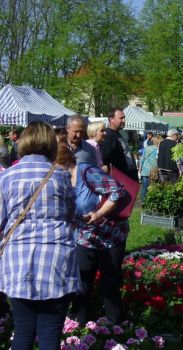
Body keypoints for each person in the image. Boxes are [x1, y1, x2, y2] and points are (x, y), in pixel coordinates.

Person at [0, 122, 80, 349]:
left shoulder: (7, 177)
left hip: (17, 260)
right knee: (50, 334)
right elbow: (72, 215)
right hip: (56, 259)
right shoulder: (61, 176)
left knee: (23, 331)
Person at [58, 142, 129, 326]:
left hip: (109, 236)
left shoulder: (86, 171)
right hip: (85, 237)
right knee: (82, 282)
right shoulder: (63, 180)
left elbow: (117, 191)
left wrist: (99, 214)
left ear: (62, 161)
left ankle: (116, 326)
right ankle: (80, 325)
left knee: (109, 283)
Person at [100, 108, 139, 182]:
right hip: (122, 179)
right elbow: (105, 158)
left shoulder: (118, 134)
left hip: (129, 177)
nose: (124, 120)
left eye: (124, 118)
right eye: (121, 118)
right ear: (111, 119)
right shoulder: (109, 135)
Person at [140, 136, 162, 202]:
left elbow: (142, 159)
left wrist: (140, 169)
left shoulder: (147, 148)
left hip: (145, 170)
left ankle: (143, 201)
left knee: (144, 187)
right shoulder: (159, 149)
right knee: (154, 186)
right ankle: (152, 201)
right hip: (154, 171)